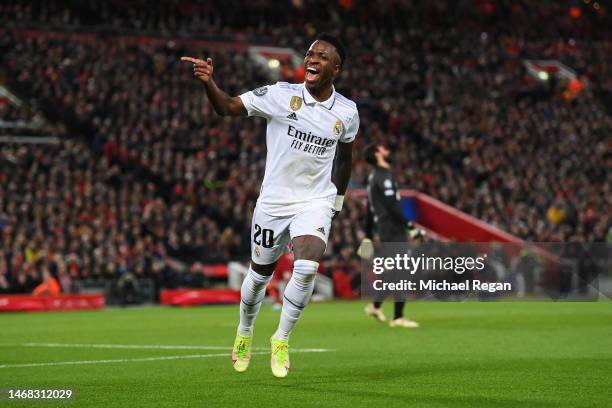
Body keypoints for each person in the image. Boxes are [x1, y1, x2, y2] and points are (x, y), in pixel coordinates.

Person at [181, 33, 359, 378]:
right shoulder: (280, 95)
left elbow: (345, 159)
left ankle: (282, 337)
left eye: (321, 56)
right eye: (310, 53)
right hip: (274, 202)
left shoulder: (348, 113)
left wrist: (336, 200)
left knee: (307, 268)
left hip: (315, 200)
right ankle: (245, 330)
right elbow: (227, 107)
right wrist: (209, 83)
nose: (313, 59)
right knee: (259, 277)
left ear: (335, 69)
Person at [361, 143, 422, 328]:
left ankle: (376, 305)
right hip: (393, 229)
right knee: (402, 270)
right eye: (382, 148)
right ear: (377, 154)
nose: (387, 150)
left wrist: (368, 234)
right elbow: (392, 206)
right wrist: (410, 225)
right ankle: (397, 318)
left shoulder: (374, 178)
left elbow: (371, 209)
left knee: (396, 270)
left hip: (386, 228)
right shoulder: (383, 177)